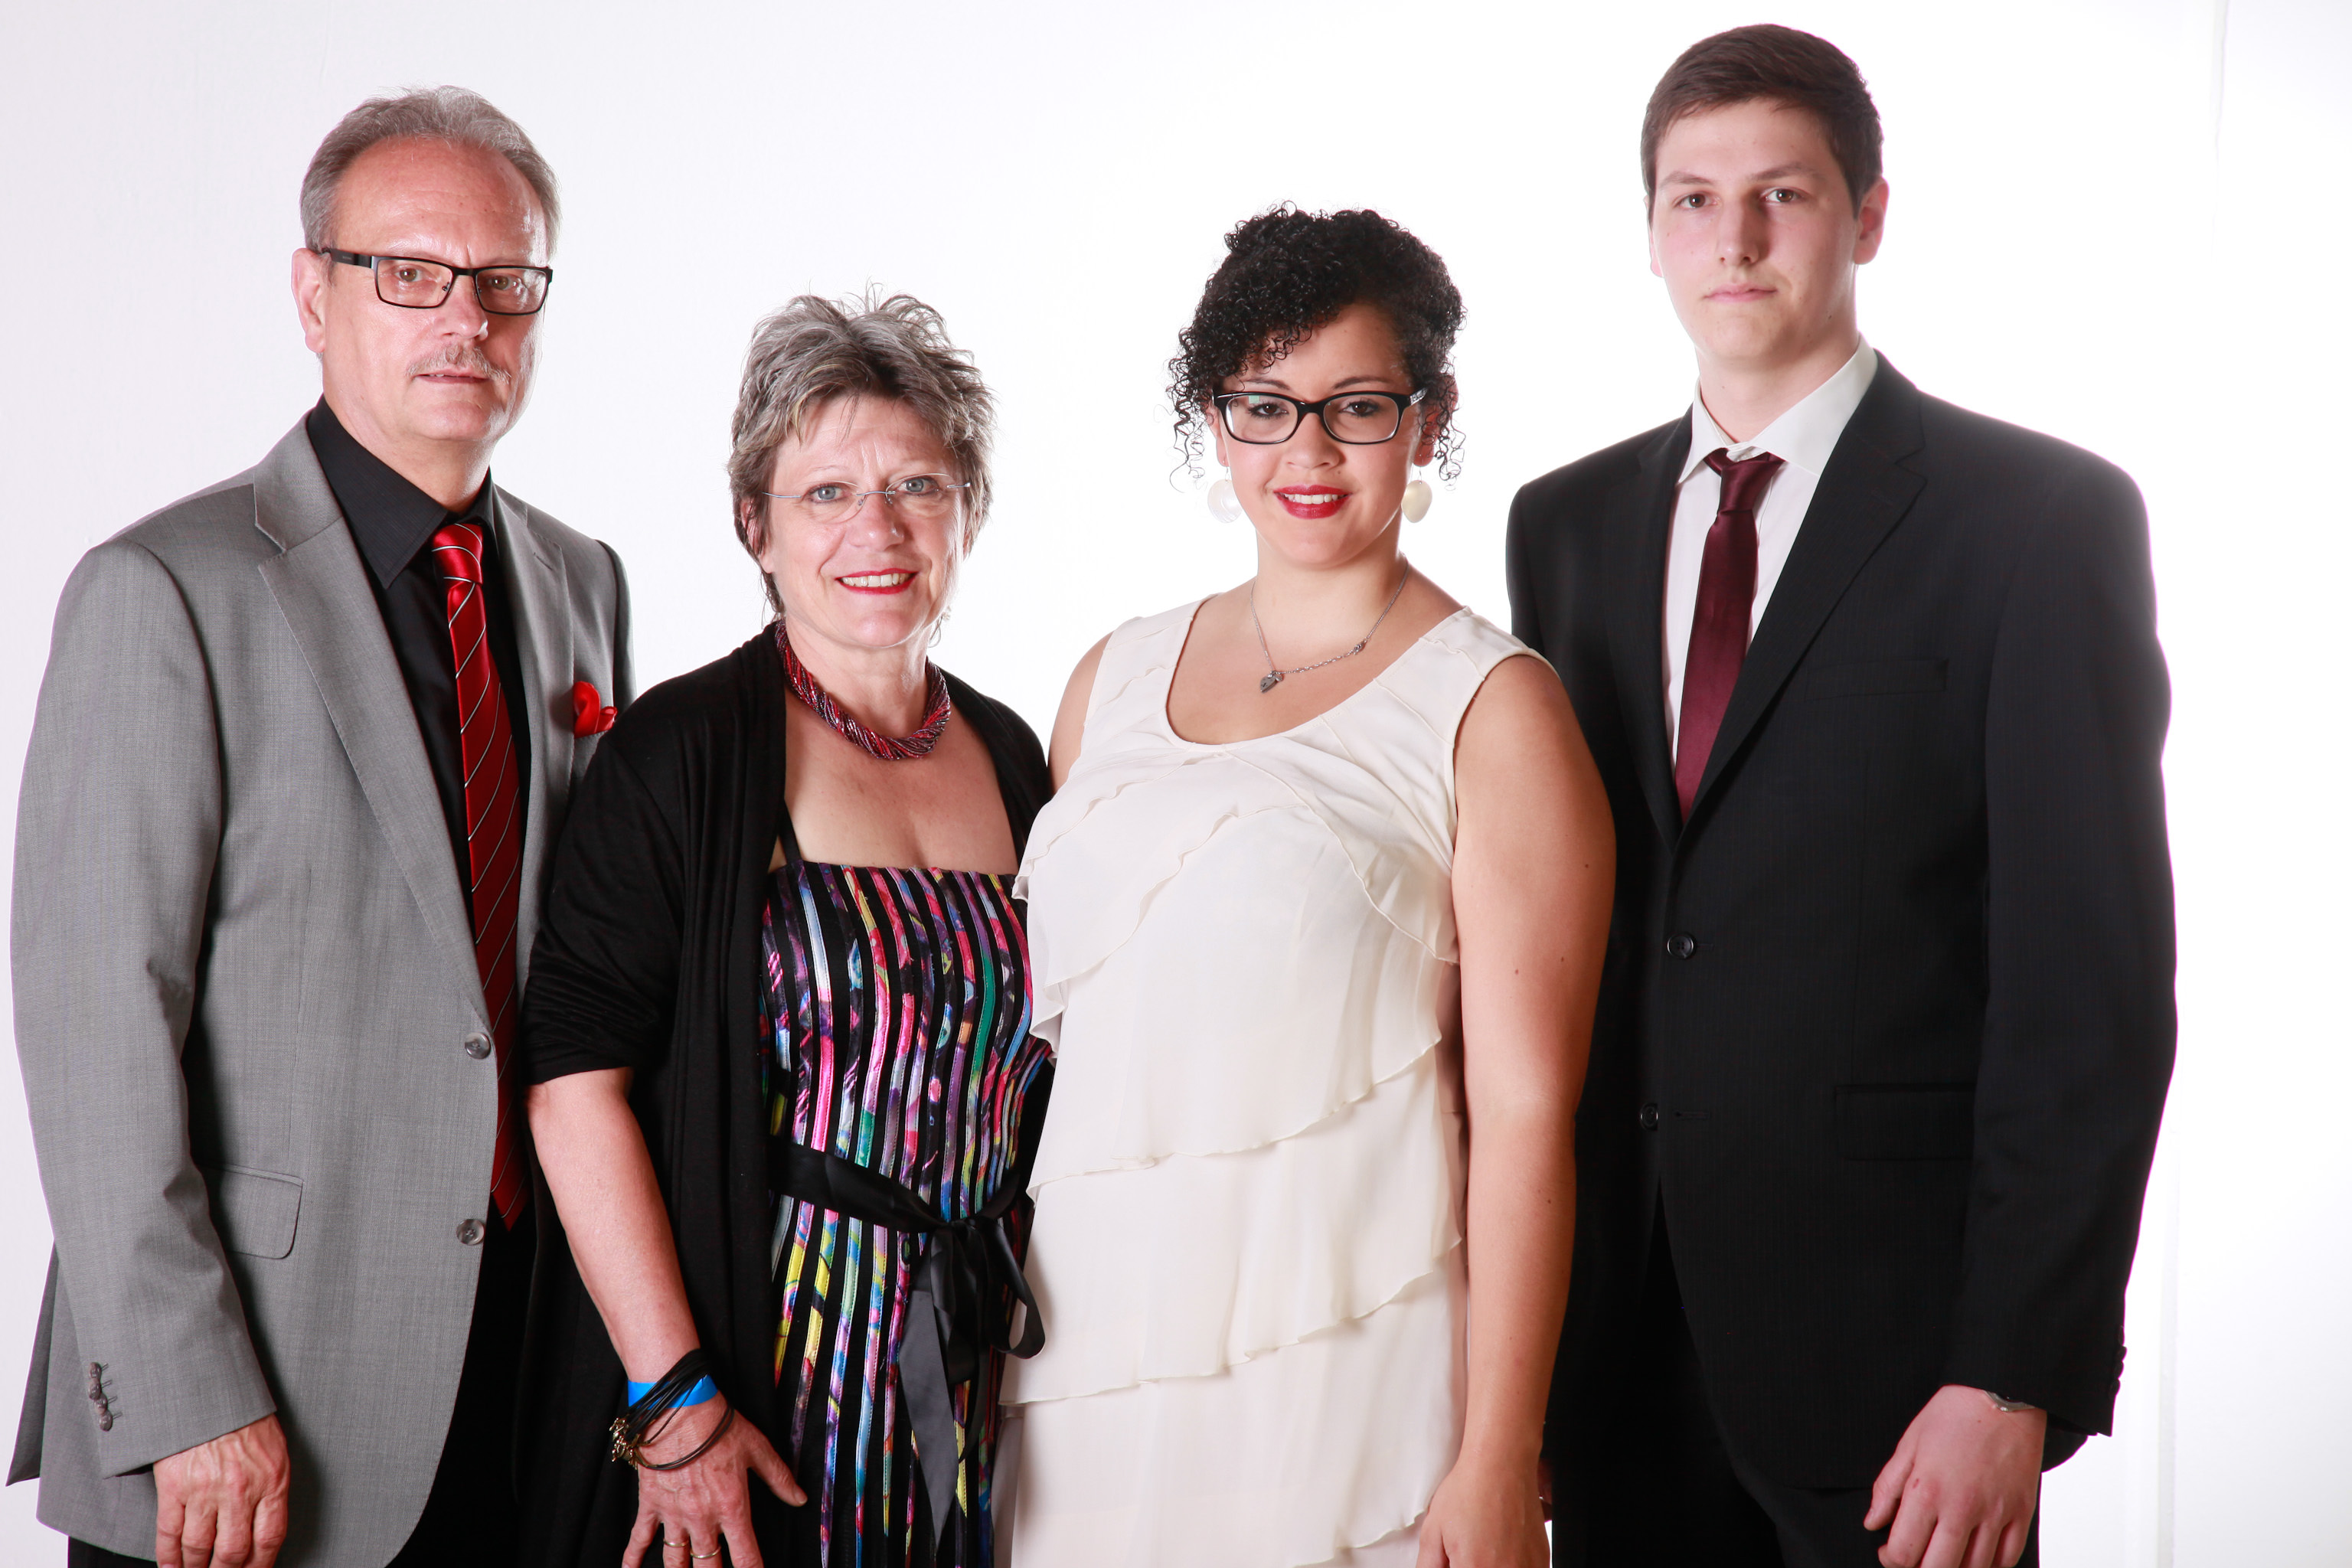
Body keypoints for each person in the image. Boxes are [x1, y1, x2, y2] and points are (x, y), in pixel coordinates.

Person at [1506, 25, 2176, 1568]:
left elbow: (2090, 993)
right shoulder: (1565, 527)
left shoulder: (2039, 520)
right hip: (1614, 1363)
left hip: (1902, 1379)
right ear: (1649, 232)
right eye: (1692, 199)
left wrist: (2011, 1373)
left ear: (1868, 216)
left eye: (1783, 195)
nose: (1733, 240)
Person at [8, 88, 632, 1568]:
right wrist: (186, 1396)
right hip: (253, 1405)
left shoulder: (582, 583)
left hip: (518, 1377)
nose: (464, 318)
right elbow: (96, 1029)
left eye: (504, 281)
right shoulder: (165, 590)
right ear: (312, 294)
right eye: (409, 272)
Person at [1004, 207, 1614, 1568]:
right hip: (1090, 1361)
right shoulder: (1109, 677)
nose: (1311, 452)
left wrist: (1499, 1452)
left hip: (1348, 1370)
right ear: (1216, 425)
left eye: (1359, 407)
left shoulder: (1495, 709)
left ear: (1427, 420)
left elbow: (1527, 1119)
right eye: (1267, 406)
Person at [516, 293, 1052, 1568]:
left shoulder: (1015, 756)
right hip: (759, 1371)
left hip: (972, 1367)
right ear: (754, 524)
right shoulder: (683, 751)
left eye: (918, 486)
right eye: (827, 493)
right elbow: (571, 1088)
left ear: (967, 510)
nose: (878, 529)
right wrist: (675, 1402)